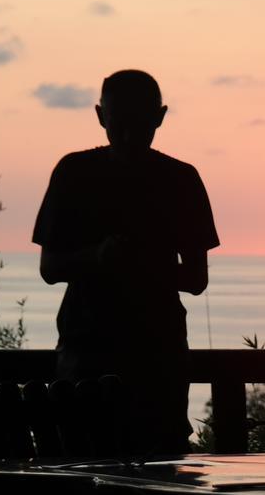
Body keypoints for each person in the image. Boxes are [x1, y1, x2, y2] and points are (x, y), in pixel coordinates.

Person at [33, 69, 219, 453]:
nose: (131, 135)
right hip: (103, 350)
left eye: (140, 123)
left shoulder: (177, 179)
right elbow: (49, 268)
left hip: (142, 353)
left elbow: (197, 279)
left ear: (159, 118)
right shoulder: (176, 178)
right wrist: (102, 258)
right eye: (122, 123)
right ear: (102, 117)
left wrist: (118, 261)